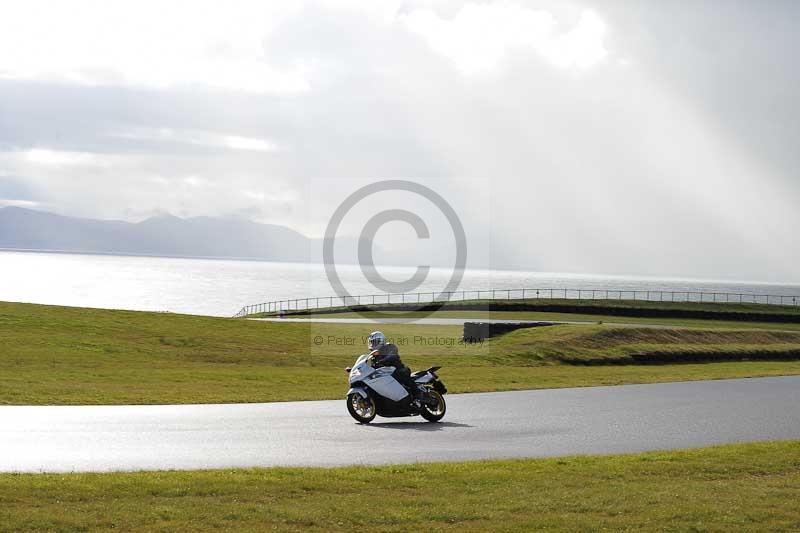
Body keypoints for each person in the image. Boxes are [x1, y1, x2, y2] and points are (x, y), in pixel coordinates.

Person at [367, 331, 423, 406]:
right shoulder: (373, 356)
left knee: (401, 374)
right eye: (371, 342)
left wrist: (384, 359)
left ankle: (418, 395)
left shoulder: (389, 347)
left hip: (399, 369)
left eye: (375, 342)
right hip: (385, 374)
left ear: (381, 341)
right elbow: (368, 366)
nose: (373, 344)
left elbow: (393, 355)